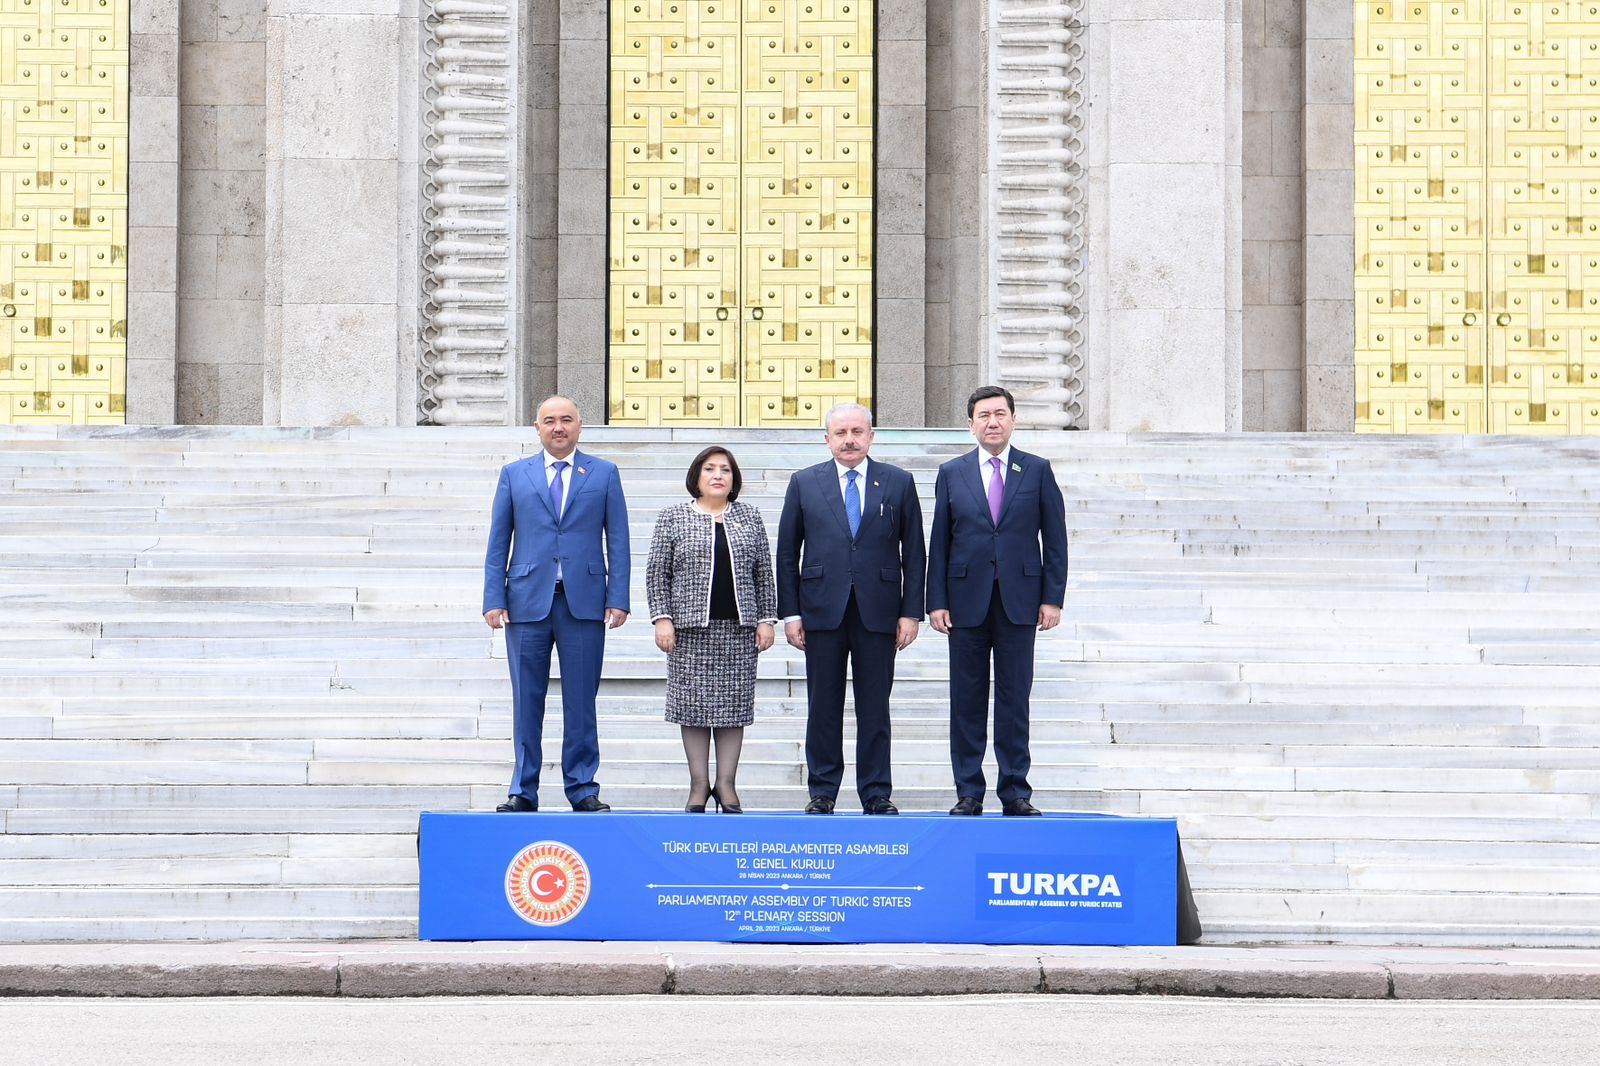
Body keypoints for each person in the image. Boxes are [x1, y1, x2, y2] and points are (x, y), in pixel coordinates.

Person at [776, 403, 926, 815]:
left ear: (871, 437)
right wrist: (791, 614)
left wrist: (911, 612)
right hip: (821, 610)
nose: (849, 440)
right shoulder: (805, 482)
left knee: (875, 707)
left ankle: (876, 792)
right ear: (827, 439)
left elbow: (915, 552)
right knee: (822, 706)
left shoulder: (898, 482)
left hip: (879, 612)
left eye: (857, 432)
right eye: (840, 433)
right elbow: (787, 553)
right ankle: (822, 790)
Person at [482, 396, 629, 813]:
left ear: (580, 426)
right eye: (550, 421)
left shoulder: (603, 473)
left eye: (566, 419)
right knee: (526, 700)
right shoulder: (515, 474)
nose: (558, 427)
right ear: (537, 428)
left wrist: (618, 596)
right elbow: (498, 541)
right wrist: (493, 597)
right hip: (526, 602)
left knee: (581, 701)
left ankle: (582, 787)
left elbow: (618, 539)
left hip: (584, 603)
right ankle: (523, 789)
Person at [927, 385, 1068, 817]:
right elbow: (940, 542)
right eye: (984, 415)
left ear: (1013, 420)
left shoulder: (1036, 470)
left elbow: (1055, 539)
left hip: (1019, 602)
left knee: (1014, 700)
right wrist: (936, 601)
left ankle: (1015, 791)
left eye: (1000, 414)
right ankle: (969, 791)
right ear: (970, 424)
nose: (993, 422)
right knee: (966, 701)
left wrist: (1052, 598)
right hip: (964, 603)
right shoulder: (952, 472)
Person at [646, 447, 778, 813]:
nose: (717, 475)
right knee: (692, 708)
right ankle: (699, 784)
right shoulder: (673, 517)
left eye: (725, 470)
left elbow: (763, 573)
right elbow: (657, 573)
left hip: (739, 630)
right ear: (697, 476)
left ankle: (726, 784)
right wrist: (662, 618)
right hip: (689, 631)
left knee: (734, 708)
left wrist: (766, 619)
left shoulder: (749, 517)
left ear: (734, 479)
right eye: (709, 469)